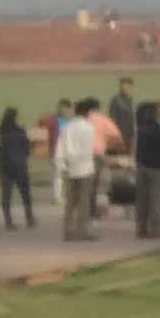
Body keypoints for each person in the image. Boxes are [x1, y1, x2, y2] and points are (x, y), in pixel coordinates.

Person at [57, 99, 104, 241]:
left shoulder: (67, 127)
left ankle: (68, 230)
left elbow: (61, 147)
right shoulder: (88, 128)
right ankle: (81, 230)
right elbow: (87, 149)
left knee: (70, 201)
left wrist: (63, 164)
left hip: (69, 167)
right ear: (87, 112)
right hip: (84, 167)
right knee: (84, 201)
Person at [133, 104, 160, 241]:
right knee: (155, 200)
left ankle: (141, 228)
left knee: (142, 200)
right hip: (158, 169)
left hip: (142, 168)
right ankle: (156, 229)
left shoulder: (142, 130)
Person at [1, 107, 35, 229]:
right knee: (25, 193)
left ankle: (8, 221)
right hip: (20, 166)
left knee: (6, 195)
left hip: (5, 167)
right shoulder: (20, 131)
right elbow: (27, 149)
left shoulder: (0, 132)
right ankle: (29, 218)